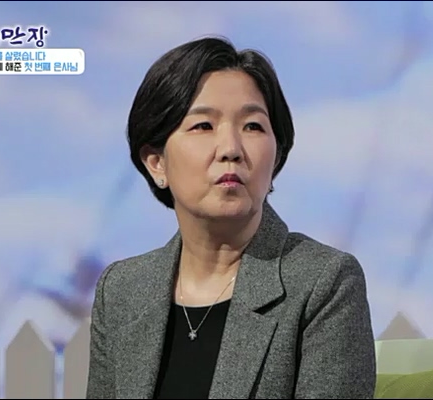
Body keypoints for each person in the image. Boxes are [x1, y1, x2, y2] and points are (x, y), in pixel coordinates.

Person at [86, 36, 376, 399]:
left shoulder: (324, 282)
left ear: (276, 154)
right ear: (156, 162)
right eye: (203, 126)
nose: (231, 149)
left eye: (252, 126)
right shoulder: (122, 290)